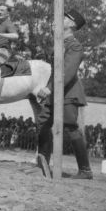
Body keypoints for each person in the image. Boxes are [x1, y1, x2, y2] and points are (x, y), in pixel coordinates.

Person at [36, 9, 93, 180]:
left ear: (72, 25)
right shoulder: (60, 43)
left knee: (70, 126)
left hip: (68, 93)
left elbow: (66, 73)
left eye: (65, 18)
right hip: (54, 92)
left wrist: (49, 88)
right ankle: (43, 165)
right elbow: (55, 72)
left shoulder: (75, 46)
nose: (60, 19)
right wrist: (48, 88)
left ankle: (85, 170)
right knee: (43, 122)